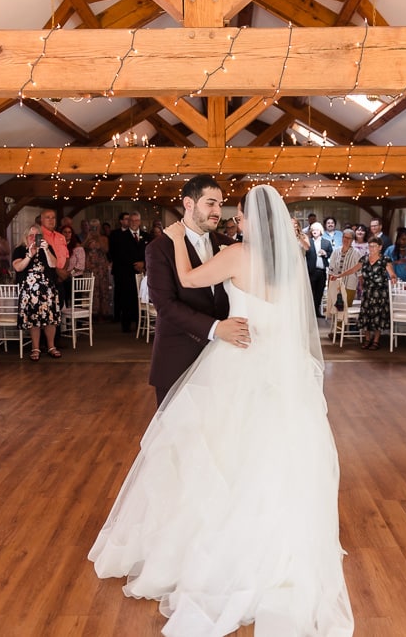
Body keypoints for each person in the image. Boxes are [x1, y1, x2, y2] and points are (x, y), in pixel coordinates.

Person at [89, 184, 354, 637]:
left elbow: (189, 281)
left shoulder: (236, 252)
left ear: (254, 221)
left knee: (224, 449)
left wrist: (175, 242)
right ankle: (272, 538)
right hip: (277, 365)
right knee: (267, 453)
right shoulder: (289, 259)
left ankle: (215, 538)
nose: (232, 220)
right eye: (221, 209)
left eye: (239, 215)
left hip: (239, 359)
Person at [144, 175, 247, 406]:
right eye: (210, 203)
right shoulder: (159, 248)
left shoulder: (229, 245)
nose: (217, 211)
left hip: (226, 359)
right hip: (178, 357)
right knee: (175, 436)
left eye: (220, 204)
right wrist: (215, 328)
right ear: (189, 204)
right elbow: (165, 306)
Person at [331, 236, 392, 350]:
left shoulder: (385, 260)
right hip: (367, 292)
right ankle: (367, 339)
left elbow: (391, 273)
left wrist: (393, 278)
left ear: (380, 247)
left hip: (380, 293)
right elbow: (353, 269)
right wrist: (339, 275)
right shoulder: (364, 259)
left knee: (378, 317)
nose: (371, 248)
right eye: (370, 246)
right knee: (366, 317)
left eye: (374, 246)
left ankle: (376, 340)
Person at [11, 225, 61, 360]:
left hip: (47, 290)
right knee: (33, 321)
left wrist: (46, 250)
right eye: (31, 236)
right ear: (26, 237)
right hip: (29, 291)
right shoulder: (20, 250)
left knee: (50, 319)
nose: (34, 238)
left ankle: (51, 346)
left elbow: (53, 265)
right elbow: (18, 267)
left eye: (37, 235)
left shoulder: (47, 248)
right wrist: (29, 255)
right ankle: (35, 348)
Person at [108, 211, 149, 332]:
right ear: (128, 222)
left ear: (140, 222)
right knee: (126, 299)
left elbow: (151, 253)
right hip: (125, 273)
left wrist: (144, 264)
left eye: (137, 220)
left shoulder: (147, 236)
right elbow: (117, 254)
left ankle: (139, 324)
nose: (134, 223)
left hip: (142, 273)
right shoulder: (120, 236)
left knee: (140, 298)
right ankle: (125, 325)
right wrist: (134, 264)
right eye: (132, 220)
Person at [82, 218, 112, 320]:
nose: (94, 228)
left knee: (102, 289)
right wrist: (88, 237)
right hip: (90, 266)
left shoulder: (104, 238)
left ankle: (102, 314)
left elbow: (106, 249)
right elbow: (81, 249)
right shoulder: (87, 237)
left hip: (101, 267)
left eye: (96, 226)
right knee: (91, 289)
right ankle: (90, 313)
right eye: (92, 226)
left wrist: (98, 237)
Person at [305, 221, 332, 317]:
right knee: (310, 293)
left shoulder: (326, 242)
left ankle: (316, 312)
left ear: (320, 231)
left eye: (316, 230)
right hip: (311, 271)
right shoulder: (308, 241)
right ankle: (309, 313)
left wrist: (325, 253)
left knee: (319, 293)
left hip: (322, 271)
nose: (314, 231)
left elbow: (330, 253)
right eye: (312, 230)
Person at [328, 228, 360, 311]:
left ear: (352, 240)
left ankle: (344, 324)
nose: (345, 240)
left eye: (348, 238)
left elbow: (360, 272)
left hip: (349, 286)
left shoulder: (356, 253)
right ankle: (336, 324)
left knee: (345, 310)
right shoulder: (336, 251)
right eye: (344, 237)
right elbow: (331, 269)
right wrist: (329, 285)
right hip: (335, 285)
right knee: (335, 309)